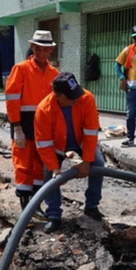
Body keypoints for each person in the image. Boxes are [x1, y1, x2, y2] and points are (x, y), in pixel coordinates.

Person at [34, 72, 105, 233]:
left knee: (98, 163)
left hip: (81, 141)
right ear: (57, 95)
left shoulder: (86, 98)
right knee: (49, 176)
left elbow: (91, 132)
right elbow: (44, 144)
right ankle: (54, 215)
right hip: (57, 146)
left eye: (76, 94)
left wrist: (86, 162)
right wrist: (55, 169)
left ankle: (92, 207)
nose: (76, 99)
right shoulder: (43, 110)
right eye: (71, 97)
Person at [4, 30, 59, 219]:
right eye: (39, 49)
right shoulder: (21, 69)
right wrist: (16, 127)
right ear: (33, 48)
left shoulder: (54, 73)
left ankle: (35, 206)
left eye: (46, 49)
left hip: (43, 123)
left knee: (39, 165)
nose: (42, 53)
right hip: (24, 122)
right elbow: (12, 99)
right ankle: (25, 207)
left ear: (50, 50)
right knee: (23, 164)